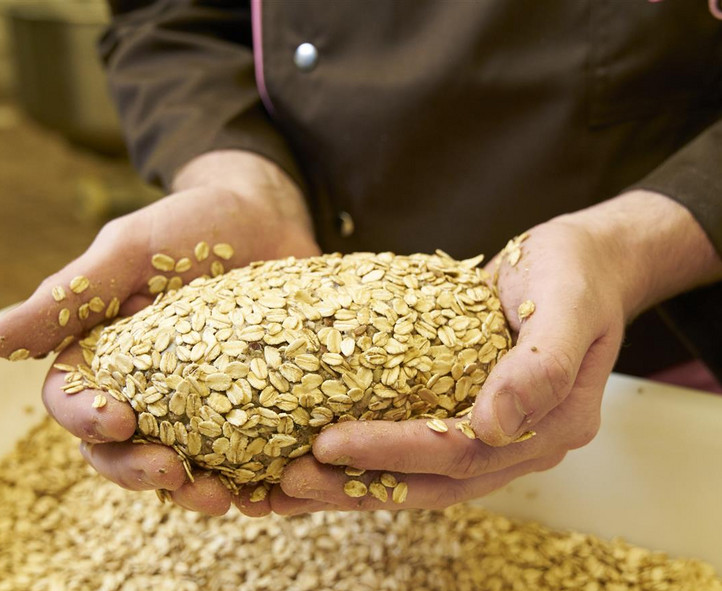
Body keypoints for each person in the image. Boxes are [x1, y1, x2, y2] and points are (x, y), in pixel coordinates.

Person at [1, 0, 721, 517]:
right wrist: (231, 173)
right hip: (280, 224)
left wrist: (635, 241)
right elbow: (170, 14)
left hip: (657, 357)